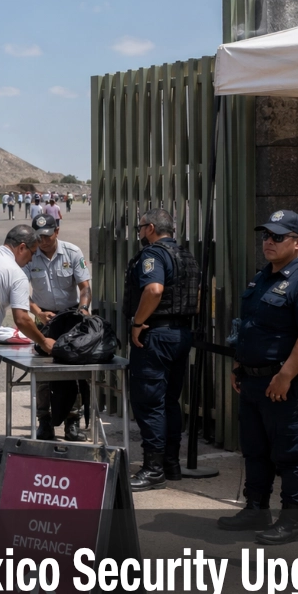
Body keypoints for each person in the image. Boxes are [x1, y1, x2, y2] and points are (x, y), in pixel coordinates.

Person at [218, 210, 298, 545]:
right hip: (254, 381)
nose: (268, 242)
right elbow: (251, 328)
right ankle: (256, 508)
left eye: (278, 237)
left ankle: (292, 521)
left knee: (289, 453)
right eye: (266, 235)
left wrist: (284, 376)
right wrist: (240, 366)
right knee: (255, 449)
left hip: (285, 384)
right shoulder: (261, 278)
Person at [122, 209, 200, 491]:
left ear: (151, 228)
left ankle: (153, 468)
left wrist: (138, 322)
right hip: (180, 334)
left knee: (149, 402)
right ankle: (170, 463)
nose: (140, 233)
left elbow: (153, 289)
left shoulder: (153, 255)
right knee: (169, 401)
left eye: (141, 227)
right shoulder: (187, 256)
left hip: (155, 335)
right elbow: (196, 297)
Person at [0, 226, 55, 467]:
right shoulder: (15, 273)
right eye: (31, 253)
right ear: (21, 248)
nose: (30, 260)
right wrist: (43, 340)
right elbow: (22, 319)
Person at [25, 214, 92, 441]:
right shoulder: (30, 255)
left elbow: (85, 287)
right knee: (43, 374)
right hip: (43, 319)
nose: (43, 241)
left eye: (47, 235)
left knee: (73, 374)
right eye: (38, 236)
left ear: (57, 232)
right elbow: (20, 293)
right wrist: (38, 313)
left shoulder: (72, 252)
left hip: (70, 318)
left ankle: (72, 423)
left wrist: (83, 310)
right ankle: (44, 422)